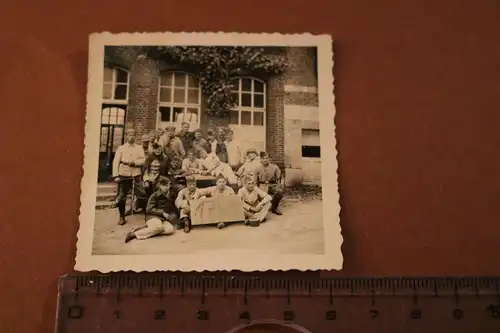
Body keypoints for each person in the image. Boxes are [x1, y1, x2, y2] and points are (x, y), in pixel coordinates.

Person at [124, 176, 178, 243]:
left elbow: (173, 206)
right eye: (164, 186)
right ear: (159, 186)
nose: (166, 187)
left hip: (163, 219)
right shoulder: (154, 196)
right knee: (159, 227)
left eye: (167, 185)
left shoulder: (171, 195)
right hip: (152, 216)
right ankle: (134, 234)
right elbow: (149, 209)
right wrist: (162, 212)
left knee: (170, 229)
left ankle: (146, 229)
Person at [111, 129, 146, 225]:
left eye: (133, 135)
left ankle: (145, 214)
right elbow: (116, 162)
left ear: (135, 136)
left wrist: (134, 163)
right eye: (129, 135)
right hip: (124, 174)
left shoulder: (139, 148)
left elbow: (143, 160)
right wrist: (116, 175)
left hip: (136, 174)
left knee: (142, 194)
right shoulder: (121, 148)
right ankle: (122, 217)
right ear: (126, 136)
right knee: (122, 196)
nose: (131, 136)